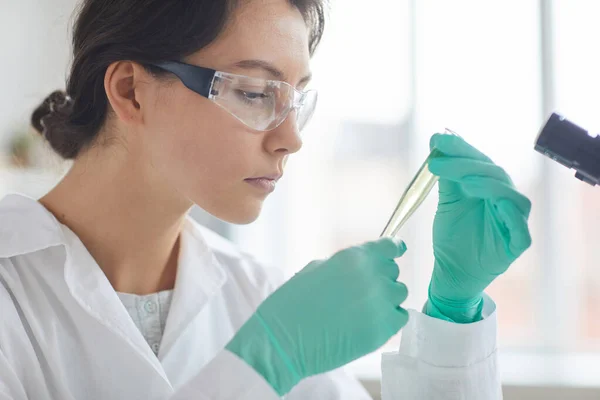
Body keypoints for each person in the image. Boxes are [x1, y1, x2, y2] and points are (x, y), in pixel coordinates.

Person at [0, 0, 532, 399]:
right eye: (255, 93)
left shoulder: (258, 295)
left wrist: (452, 319)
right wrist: (260, 366)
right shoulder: (10, 294)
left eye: (296, 100)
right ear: (130, 92)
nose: (291, 138)